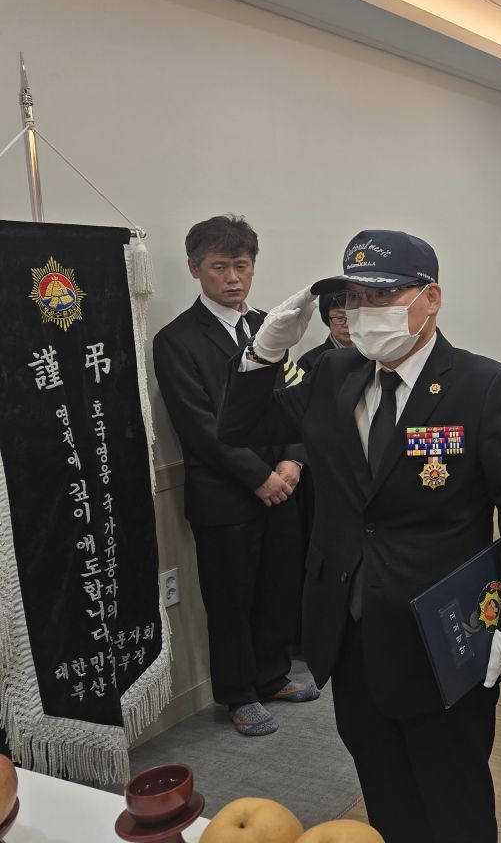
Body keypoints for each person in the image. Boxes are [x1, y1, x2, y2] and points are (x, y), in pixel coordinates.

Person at [216, 230, 501, 843]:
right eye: (353, 297)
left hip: (443, 631)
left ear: (431, 298)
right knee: (384, 786)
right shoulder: (332, 373)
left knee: (453, 794)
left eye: (382, 295)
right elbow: (237, 428)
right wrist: (262, 354)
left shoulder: (482, 385)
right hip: (348, 626)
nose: (363, 311)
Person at [153, 215, 315, 738]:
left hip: (282, 484)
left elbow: (293, 397)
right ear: (194, 268)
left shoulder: (270, 325)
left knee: (278, 586)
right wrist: (259, 476)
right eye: (219, 267)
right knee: (230, 598)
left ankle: (273, 676)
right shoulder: (176, 339)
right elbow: (199, 426)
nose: (232, 278)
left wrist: (292, 461)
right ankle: (239, 693)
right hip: (225, 493)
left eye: (241, 266)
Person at [297, 291, 352, 372]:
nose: (347, 325)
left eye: (353, 317)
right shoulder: (309, 362)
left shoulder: (370, 355)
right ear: (327, 318)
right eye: (339, 318)